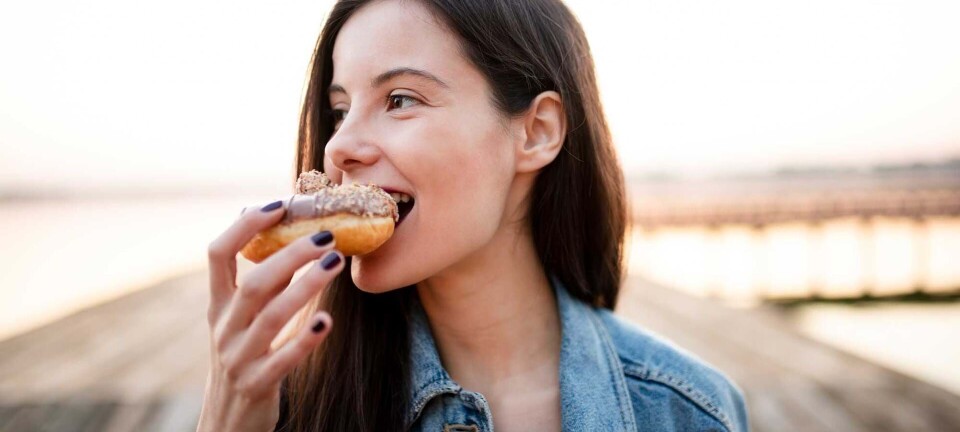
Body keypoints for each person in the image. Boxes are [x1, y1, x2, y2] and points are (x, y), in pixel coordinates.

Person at [197, 0, 748, 431]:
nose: (339, 147)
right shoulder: (284, 409)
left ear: (536, 132)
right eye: (339, 110)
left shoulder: (687, 412)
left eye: (400, 99)